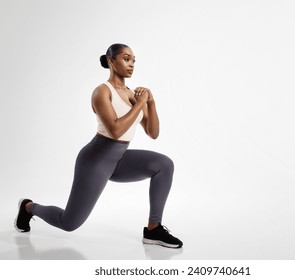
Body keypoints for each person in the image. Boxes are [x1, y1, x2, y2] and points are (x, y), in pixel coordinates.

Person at [14, 43, 183, 249]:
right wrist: (140, 104)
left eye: (133, 60)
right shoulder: (102, 92)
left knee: (164, 165)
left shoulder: (132, 94)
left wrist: (151, 103)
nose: (131, 64)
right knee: (69, 223)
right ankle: (29, 207)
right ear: (111, 61)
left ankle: (153, 229)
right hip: (95, 160)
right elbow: (115, 130)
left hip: (119, 159)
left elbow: (153, 133)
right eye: (126, 59)